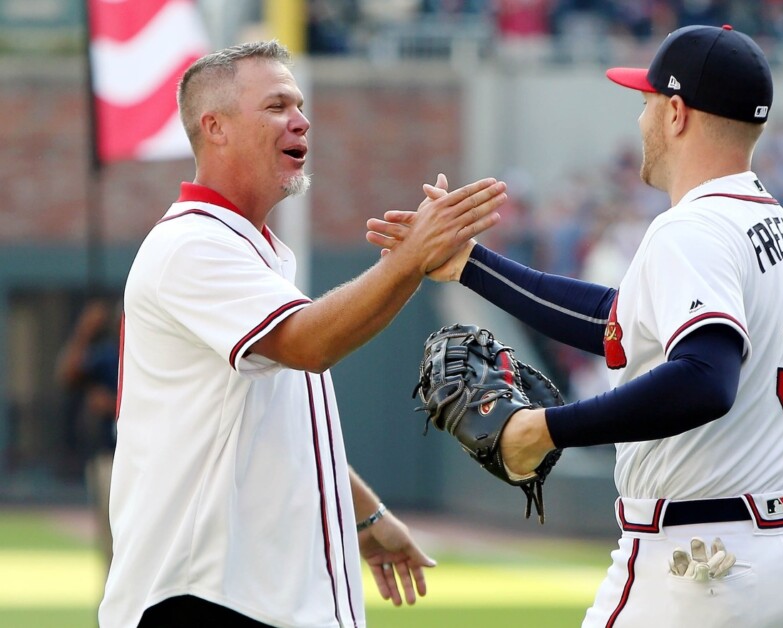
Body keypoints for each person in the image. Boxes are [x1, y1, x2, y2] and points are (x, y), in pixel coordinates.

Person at [367, 24, 783, 626]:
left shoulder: (692, 229)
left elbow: (706, 378)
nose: (641, 120)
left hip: (707, 564)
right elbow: (616, 321)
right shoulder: (775, 223)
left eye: (646, 102)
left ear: (676, 112)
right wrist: (471, 264)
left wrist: (545, 429)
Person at [98, 40, 507, 628]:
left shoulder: (249, 250)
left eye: (299, 103)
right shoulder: (192, 244)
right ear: (215, 127)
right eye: (276, 106)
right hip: (202, 597)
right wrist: (410, 259)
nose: (301, 119)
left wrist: (362, 514)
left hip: (245, 598)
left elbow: (272, 426)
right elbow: (308, 345)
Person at [56, 298, 120, 574]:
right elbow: (67, 374)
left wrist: (114, 403)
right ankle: (115, 611)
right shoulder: (109, 355)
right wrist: (84, 330)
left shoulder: (162, 355)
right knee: (112, 543)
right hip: (111, 457)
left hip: (154, 461)